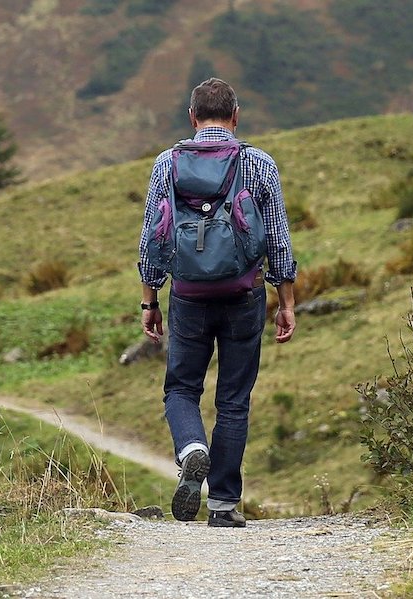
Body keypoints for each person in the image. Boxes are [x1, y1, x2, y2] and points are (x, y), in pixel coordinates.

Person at [137, 78, 297, 527]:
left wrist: (150, 299)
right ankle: (223, 505)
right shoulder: (259, 163)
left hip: (187, 296)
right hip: (244, 294)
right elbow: (279, 240)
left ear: (192, 117)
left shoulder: (167, 164)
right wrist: (285, 300)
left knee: (181, 388)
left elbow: (152, 236)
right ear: (236, 115)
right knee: (233, 400)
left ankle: (192, 448)